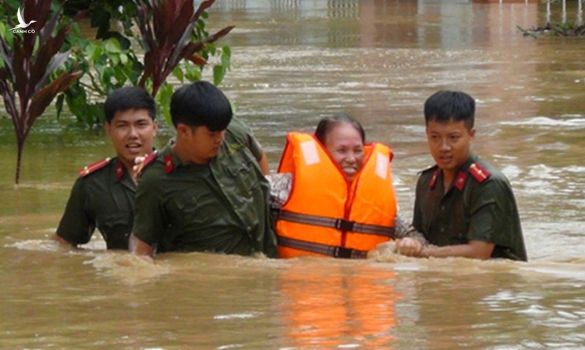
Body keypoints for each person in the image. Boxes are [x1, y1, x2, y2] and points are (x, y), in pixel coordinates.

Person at [129, 81, 277, 258]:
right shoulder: (156, 180)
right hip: (220, 278)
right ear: (184, 131)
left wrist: (268, 192)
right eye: (212, 134)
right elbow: (143, 246)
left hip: (267, 257)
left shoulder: (233, 132)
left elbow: (260, 156)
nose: (220, 139)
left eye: (222, 131)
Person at [396, 90, 527, 261]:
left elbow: (479, 252)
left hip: (493, 284)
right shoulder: (426, 182)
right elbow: (419, 236)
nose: (444, 147)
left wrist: (423, 252)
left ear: (471, 135)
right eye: (435, 137)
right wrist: (410, 243)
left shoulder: (488, 184)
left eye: (453, 137)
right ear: (426, 134)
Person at [271, 113, 424, 259]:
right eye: (342, 150)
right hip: (302, 281)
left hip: (362, 282)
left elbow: (413, 234)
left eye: (358, 150)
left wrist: (412, 243)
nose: (351, 159)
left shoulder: (377, 197)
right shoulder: (286, 186)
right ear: (322, 150)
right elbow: (251, 199)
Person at [54, 86, 158, 249]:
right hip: (119, 272)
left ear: (154, 128)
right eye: (122, 126)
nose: (132, 134)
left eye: (141, 124)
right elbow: (63, 246)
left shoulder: (178, 174)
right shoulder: (92, 184)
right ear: (108, 130)